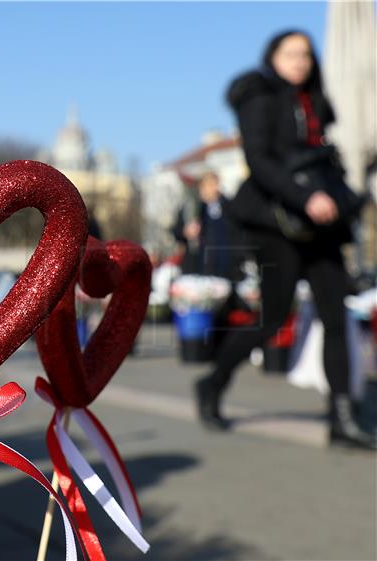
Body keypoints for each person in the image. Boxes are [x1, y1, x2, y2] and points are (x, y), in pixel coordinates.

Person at [194, 30, 376, 449]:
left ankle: (342, 419)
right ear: (272, 56)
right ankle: (213, 382)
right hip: (276, 222)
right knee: (273, 318)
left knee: (336, 315)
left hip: (322, 226)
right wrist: (305, 196)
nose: (301, 61)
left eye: (307, 55)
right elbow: (259, 161)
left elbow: (324, 165)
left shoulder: (314, 103)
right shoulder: (259, 97)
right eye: (291, 53)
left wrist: (343, 198)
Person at [171, 171, 242, 280]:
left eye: (216, 184)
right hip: (197, 267)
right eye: (210, 184)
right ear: (201, 187)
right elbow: (176, 230)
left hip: (225, 269)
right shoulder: (191, 208)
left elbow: (237, 233)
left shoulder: (228, 206)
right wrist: (185, 231)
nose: (215, 188)